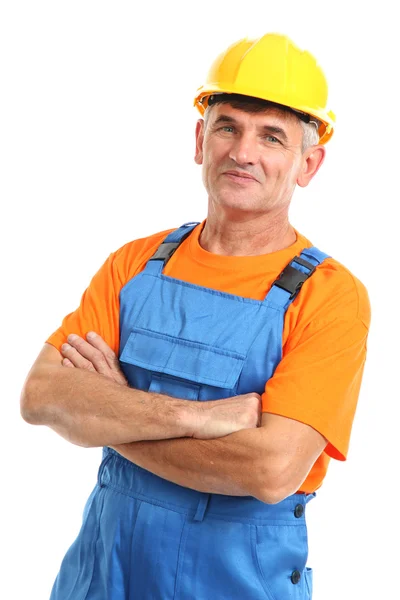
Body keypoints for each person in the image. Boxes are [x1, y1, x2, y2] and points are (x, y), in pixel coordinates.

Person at [20, 32, 370, 600]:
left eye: (272, 136)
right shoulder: (134, 263)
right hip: (99, 578)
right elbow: (41, 397)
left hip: (236, 585)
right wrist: (202, 418)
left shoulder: (329, 297)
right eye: (227, 125)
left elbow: (271, 471)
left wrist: (110, 419)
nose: (242, 151)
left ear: (309, 164)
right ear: (200, 139)